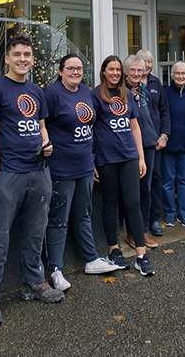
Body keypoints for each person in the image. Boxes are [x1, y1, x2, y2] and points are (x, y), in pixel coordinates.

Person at [0, 34, 63, 327]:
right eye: (17, 54)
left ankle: (34, 282)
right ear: (7, 58)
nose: (23, 58)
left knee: (35, 232)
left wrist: (47, 144)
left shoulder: (36, 91)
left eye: (27, 54)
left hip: (39, 171)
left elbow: (40, 126)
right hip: (10, 174)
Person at [43, 55, 121, 293]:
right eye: (70, 68)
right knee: (58, 221)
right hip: (61, 167)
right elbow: (41, 125)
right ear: (60, 71)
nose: (75, 72)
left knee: (84, 214)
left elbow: (91, 126)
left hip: (85, 165)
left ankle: (91, 259)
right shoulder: (52, 94)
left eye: (79, 68)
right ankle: (55, 269)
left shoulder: (86, 92)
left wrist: (94, 158)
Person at [91, 55, 156, 276]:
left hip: (128, 156)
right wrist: (92, 160)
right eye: (111, 69)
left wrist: (140, 157)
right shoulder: (95, 95)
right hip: (107, 158)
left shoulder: (126, 93)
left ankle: (141, 254)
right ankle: (114, 251)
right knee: (110, 203)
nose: (116, 73)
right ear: (104, 71)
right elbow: (89, 129)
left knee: (133, 203)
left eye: (118, 70)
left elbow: (135, 127)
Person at [123, 55, 159, 249]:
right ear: (125, 71)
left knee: (146, 190)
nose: (137, 73)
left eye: (140, 70)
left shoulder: (144, 90)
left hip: (148, 144)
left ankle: (142, 230)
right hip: (128, 147)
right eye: (133, 70)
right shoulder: (121, 91)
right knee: (131, 192)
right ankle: (132, 232)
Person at [136, 49, 171, 238]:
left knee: (154, 180)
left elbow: (165, 111)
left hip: (155, 143)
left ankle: (154, 219)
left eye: (149, 61)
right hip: (134, 144)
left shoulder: (156, 83)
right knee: (138, 183)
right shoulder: (129, 84)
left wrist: (164, 135)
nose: (147, 65)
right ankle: (136, 222)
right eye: (143, 61)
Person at [162, 62, 185, 227]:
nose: (180, 76)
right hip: (168, 145)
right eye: (177, 73)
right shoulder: (165, 93)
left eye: (183, 73)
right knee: (167, 181)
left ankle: (183, 213)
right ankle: (169, 213)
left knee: (184, 181)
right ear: (172, 75)